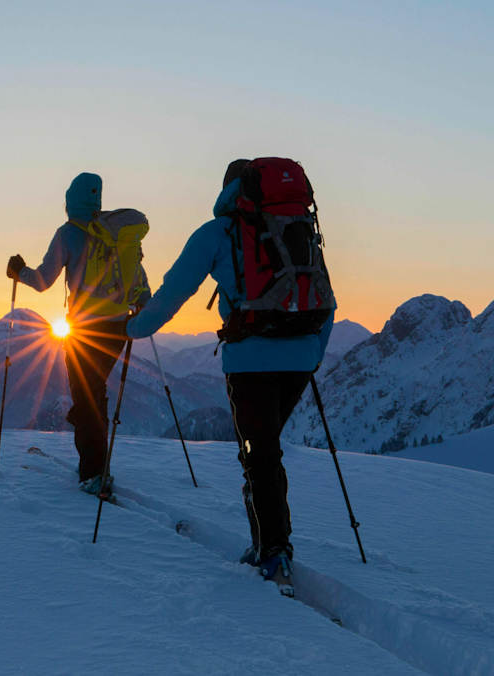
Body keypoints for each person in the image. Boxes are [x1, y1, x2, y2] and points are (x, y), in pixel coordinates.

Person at [125, 159, 334, 594]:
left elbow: (173, 293)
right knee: (267, 451)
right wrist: (313, 353)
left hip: (249, 362)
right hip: (300, 356)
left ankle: (273, 552)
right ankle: (269, 543)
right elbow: (326, 300)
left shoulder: (217, 232)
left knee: (259, 456)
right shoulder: (297, 226)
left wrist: (133, 328)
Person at [6, 172, 150, 496]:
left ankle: (93, 474)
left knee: (87, 399)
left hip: (85, 330)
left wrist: (19, 272)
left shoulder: (68, 234)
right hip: (119, 328)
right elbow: (138, 280)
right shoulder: (116, 235)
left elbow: (43, 281)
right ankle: (96, 462)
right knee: (93, 394)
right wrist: (142, 306)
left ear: (70, 200)